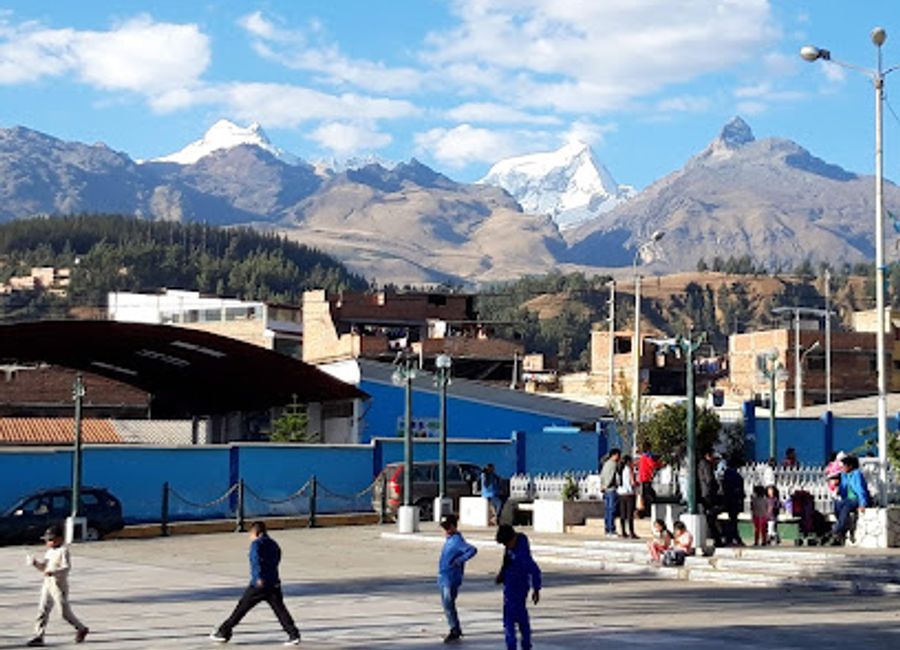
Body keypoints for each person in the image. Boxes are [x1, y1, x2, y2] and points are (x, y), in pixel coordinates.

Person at [210, 521, 301, 645]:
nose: (250, 537)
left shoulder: (256, 544)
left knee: (241, 608)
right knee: (280, 610)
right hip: (273, 582)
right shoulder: (273, 543)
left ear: (256, 533)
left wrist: (258, 577)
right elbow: (277, 558)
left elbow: (255, 561)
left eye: (250, 534)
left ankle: (223, 632)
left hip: (259, 585)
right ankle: (293, 634)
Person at [26, 524, 89, 647]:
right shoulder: (49, 552)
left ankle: (81, 628)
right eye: (47, 540)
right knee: (42, 610)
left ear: (60, 539)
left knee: (64, 613)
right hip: (47, 584)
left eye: (51, 539)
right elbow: (44, 567)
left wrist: (53, 572)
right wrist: (35, 563)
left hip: (59, 585)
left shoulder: (63, 551)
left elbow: (66, 568)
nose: (48, 542)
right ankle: (39, 636)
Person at [495, 525, 541, 650]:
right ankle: (524, 644)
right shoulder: (511, 546)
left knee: (511, 620)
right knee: (520, 617)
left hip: (518, 587)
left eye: (506, 543)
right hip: (510, 584)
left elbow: (535, 570)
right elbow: (506, 561)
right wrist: (502, 574)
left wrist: (536, 589)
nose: (506, 546)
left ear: (512, 538)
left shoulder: (522, 555)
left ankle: (514, 646)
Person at [437, 515, 478, 644]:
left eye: (448, 527)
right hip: (444, 577)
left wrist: (459, 561)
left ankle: (455, 629)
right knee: (447, 605)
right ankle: (454, 627)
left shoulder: (456, 541)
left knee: (449, 604)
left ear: (454, 527)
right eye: (444, 528)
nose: (446, 531)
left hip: (451, 578)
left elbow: (472, 550)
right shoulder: (450, 540)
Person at [829, 454, 870, 545]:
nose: (842, 467)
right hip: (846, 498)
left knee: (846, 507)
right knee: (837, 504)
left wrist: (863, 503)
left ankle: (836, 530)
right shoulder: (844, 475)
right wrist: (838, 487)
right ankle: (842, 527)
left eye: (844, 465)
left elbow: (860, 489)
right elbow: (843, 489)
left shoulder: (857, 474)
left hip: (855, 499)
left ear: (850, 466)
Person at [697, 448, 724, 546]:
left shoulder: (700, 464)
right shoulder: (706, 464)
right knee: (711, 518)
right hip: (708, 494)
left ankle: (716, 538)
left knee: (710, 518)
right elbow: (709, 480)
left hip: (704, 494)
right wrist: (716, 487)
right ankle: (717, 539)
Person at [721, 456, 745, 546]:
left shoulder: (728, 474)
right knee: (733, 520)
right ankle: (732, 537)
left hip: (731, 499)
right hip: (733, 500)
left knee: (733, 519)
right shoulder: (732, 474)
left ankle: (731, 537)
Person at [599, 448, 621, 537]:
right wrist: (607, 485)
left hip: (605, 490)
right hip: (611, 489)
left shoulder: (606, 464)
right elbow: (612, 476)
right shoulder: (613, 464)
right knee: (612, 510)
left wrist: (602, 486)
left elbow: (602, 476)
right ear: (615, 455)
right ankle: (611, 529)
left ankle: (607, 529)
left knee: (607, 510)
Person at [636, 442, 661, 518]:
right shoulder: (647, 457)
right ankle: (647, 512)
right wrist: (659, 463)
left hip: (643, 478)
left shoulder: (642, 457)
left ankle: (645, 511)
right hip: (646, 478)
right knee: (648, 496)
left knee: (646, 495)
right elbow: (652, 465)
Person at [617, 454, 638, 539]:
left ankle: (623, 532)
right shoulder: (629, 469)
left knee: (622, 514)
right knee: (629, 514)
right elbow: (632, 482)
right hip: (629, 493)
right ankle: (631, 532)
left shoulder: (619, 470)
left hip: (621, 493)